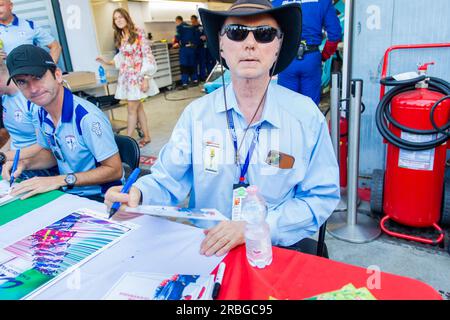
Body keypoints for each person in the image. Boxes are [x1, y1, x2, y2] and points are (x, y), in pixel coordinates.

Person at [104, 0, 339, 257]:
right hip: (208, 250)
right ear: (221, 46)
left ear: (278, 47)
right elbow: (167, 181)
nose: (250, 44)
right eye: (237, 32)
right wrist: (138, 194)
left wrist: (257, 227)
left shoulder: (305, 117)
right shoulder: (197, 115)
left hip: (275, 249)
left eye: (264, 34)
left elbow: (321, 196)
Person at [2, 44, 123, 201]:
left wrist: (59, 180)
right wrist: (25, 164)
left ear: (57, 75)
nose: (32, 89)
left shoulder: (86, 117)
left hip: (101, 198)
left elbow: (114, 170)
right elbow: (52, 154)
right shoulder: (40, 111)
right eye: (22, 82)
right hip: (69, 194)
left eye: (38, 77)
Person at [96, 8, 158, 148]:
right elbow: (121, 57)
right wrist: (106, 62)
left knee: (131, 109)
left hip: (138, 76)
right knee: (138, 108)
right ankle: (146, 136)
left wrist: (146, 77)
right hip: (127, 78)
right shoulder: (120, 35)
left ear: (126, 17)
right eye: (115, 18)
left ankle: (127, 141)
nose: (118, 20)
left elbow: (147, 54)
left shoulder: (138, 32)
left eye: (120, 17)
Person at [272, 0, 342, 105]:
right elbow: (335, 34)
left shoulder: (277, 3)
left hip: (287, 59)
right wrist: (323, 56)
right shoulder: (323, 2)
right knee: (310, 109)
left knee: (286, 109)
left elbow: (268, 34)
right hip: (311, 59)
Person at [0, 63, 58, 179]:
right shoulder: (5, 99)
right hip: (13, 160)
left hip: (36, 164)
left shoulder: (32, 99)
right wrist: (2, 154)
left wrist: (4, 156)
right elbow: (16, 135)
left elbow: (43, 145)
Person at [172, 16, 198, 89]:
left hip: (184, 49)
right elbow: (196, 37)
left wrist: (175, 42)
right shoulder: (191, 27)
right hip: (192, 48)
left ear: (177, 20)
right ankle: (195, 80)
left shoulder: (179, 27)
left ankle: (185, 83)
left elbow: (177, 37)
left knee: (184, 66)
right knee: (192, 64)